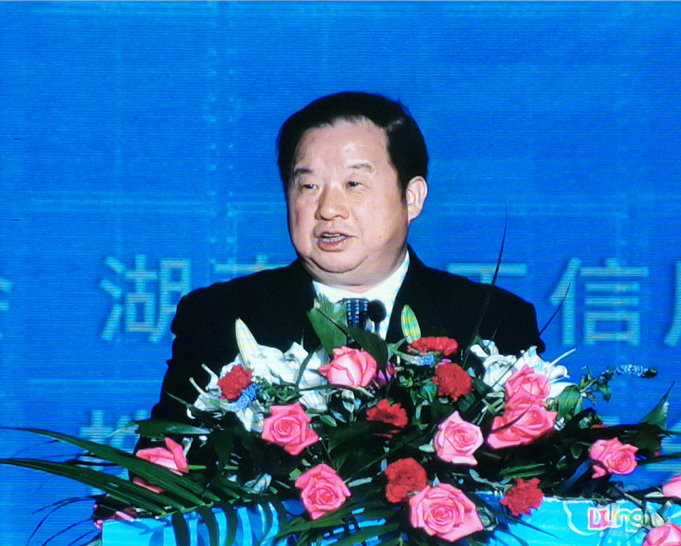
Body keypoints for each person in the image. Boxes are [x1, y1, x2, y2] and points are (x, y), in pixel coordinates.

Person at [146, 91, 544, 432]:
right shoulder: (220, 318)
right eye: (308, 186)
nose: (328, 208)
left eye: (354, 184)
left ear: (412, 198)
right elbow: (163, 466)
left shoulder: (491, 321)